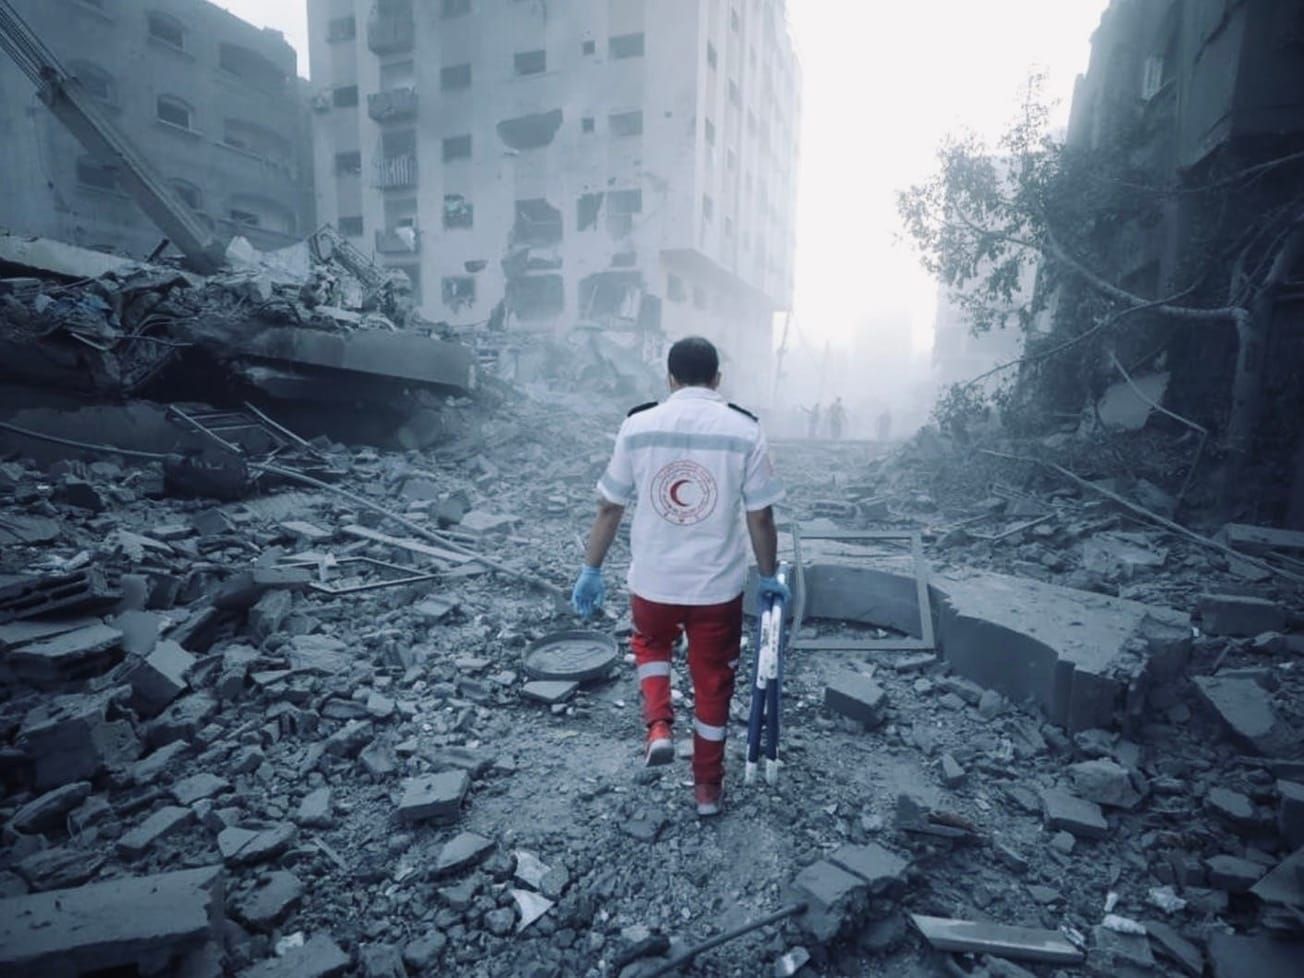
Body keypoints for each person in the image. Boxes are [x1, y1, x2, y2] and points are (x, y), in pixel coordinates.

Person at [571, 337, 788, 817]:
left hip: (653, 581)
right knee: (713, 683)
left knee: (650, 646)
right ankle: (707, 789)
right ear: (717, 379)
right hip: (717, 589)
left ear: (669, 379)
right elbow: (761, 517)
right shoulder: (745, 430)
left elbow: (610, 505)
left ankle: (659, 728)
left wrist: (591, 569)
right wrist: (769, 575)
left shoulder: (638, 425)